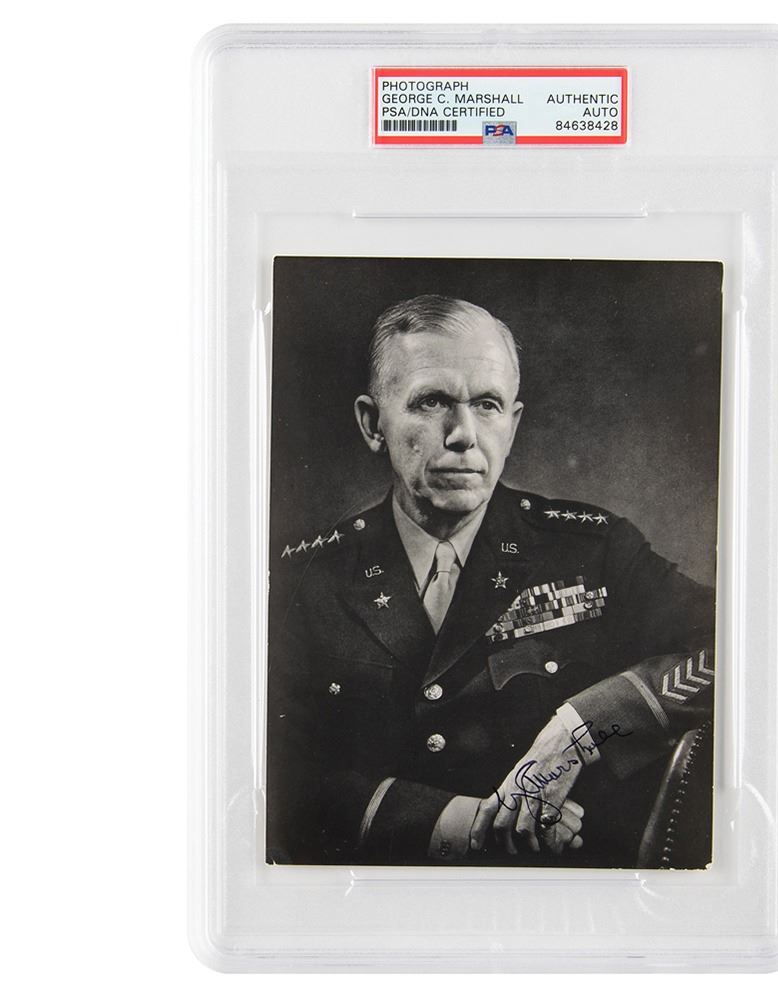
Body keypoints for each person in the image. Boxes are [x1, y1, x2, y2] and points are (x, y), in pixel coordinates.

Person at [266, 294, 715, 867]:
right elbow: (275, 771)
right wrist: (465, 825)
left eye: (487, 405)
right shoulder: (299, 581)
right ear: (373, 424)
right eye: (431, 401)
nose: (464, 435)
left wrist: (580, 731)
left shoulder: (595, 550)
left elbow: (742, 648)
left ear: (513, 423)